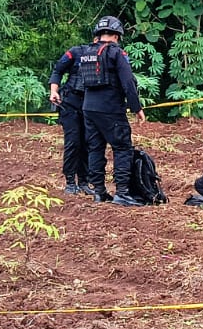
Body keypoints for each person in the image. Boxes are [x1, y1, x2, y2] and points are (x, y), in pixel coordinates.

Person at [77, 15, 148, 206]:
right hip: (110, 108)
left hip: (88, 108)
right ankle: (122, 192)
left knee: (95, 148)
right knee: (122, 148)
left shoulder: (86, 52)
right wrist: (136, 108)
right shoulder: (116, 53)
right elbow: (128, 82)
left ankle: (99, 192)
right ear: (117, 35)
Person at [48, 27, 99, 196]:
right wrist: (54, 91)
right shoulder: (76, 52)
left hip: (91, 105)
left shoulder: (107, 55)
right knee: (73, 142)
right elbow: (58, 70)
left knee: (88, 142)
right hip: (70, 103)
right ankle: (70, 181)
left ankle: (84, 181)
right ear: (95, 39)